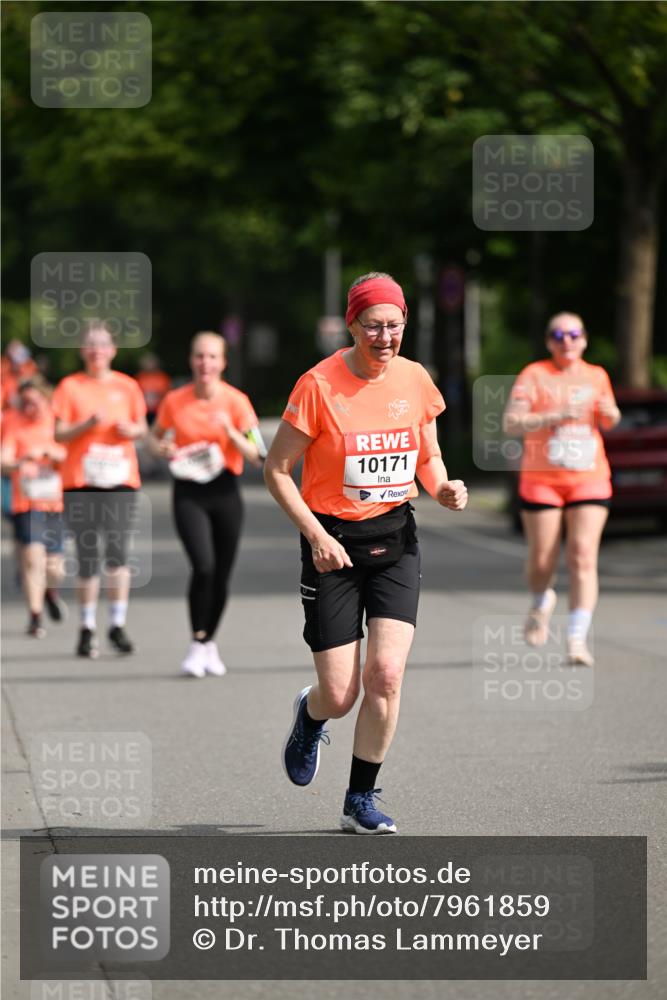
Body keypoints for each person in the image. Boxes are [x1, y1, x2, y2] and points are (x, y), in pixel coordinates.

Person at [264, 272, 468, 834]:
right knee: (340, 692)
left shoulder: (414, 378)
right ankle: (310, 716)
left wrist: (443, 486)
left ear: (406, 325)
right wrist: (317, 536)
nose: (385, 336)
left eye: (394, 325)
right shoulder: (318, 385)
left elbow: (427, 455)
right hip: (333, 546)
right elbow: (277, 471)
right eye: (373, 326)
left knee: (385, 675)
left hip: (396, 541)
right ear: (352, 325)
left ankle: (360, 798)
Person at [503, 312, 621, 666]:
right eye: (558, 334)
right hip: (541, 479)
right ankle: (541, 599)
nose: (566, 340)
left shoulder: (596, 375)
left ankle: (576, 639)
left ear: (584, 339)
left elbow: (610, 419)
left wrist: (610, 412)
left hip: (589, 476)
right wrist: (554, 415)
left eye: (573, 334)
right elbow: (511, 422)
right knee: (543, 560)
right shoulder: (535, 375)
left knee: (583, 555)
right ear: (549, 341)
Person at [150, 332, 264, 678]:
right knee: (203, 566)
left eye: (213, 357)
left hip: (225, 491)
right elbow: (154, 439)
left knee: (222, 573)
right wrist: (162, 449)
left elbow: (258, 455)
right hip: (188, 491)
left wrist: (231, 433)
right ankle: (197, 641)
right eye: (200, 356)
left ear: (223, 363)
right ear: (191, 360)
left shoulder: (236, 401)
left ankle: (208, 643)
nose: (206, 363)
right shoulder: (175, 400)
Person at [53, 323, 148, 658]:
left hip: (121, 481)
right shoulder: (70, 387)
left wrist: (131, 429)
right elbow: (59, 433)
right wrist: (87, 425)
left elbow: (142, 428)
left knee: (118, 553)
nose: (96, 351)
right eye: (90, 345)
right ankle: (87, 626)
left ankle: (117, 625)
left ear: (113, 350)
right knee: (88, 556)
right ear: (82, 351)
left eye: (102, 345)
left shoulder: (127, 386)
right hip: (81, 482)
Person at [0, 377, 67, 637]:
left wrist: (51, 454)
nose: (29, 409)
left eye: (33, 403)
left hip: (55, 502)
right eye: (24, 403)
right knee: (32, 560)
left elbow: (70, 452)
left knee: (55, 568)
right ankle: (35, 616)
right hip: (26, 501)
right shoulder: (14, 423)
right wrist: (20, 462)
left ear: (45, 398)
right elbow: (3, 460)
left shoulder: (57, 422)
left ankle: (49, 592)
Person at [136, 353, 171, 425]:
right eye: (148, 363)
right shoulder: (140, 377)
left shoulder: (162, 377)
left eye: (151, 362)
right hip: (144, 410)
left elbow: (167, 394)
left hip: (158, 410)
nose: (150, 365)